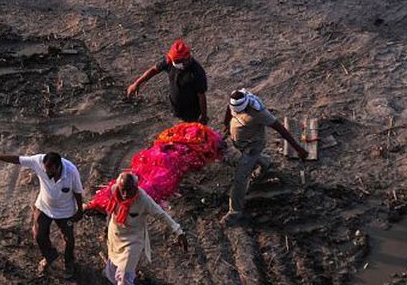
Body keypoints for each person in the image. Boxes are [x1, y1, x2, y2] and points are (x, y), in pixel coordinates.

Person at [0, 151, 84, 278]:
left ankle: (69, 263)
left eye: (50, 170)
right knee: (38, 235)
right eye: (45, 169)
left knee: (68, 239)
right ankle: (49, 256)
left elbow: (78, 192)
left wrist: (79, 211)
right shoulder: (38, 161)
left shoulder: (71, 171)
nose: (46, 173)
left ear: (58, 166)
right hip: (44, 206)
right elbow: (17, 159)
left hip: (65, 211)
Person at [220, 89, 309, 226]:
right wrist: (226, 124)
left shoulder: (258, 112)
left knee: (240, 178)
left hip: (252, 146)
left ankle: (234, 212)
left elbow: (280, 129)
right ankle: (265, 163)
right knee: (252, 160)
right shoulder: (236, 99)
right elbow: (229, 108)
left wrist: (298, 149)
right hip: (241, 142)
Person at [103, 172, 188, 285]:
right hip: (115, 235)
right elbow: (110, 211)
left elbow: (161, 214)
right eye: (122, 190)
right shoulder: (114, 191)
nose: (124, 194)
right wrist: (107, 226)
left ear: (135, 188)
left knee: (125, 271)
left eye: (128, 190)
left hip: (133, 240)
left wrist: (178, 231)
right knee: (112, 267)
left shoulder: (143, 200)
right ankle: (116, 283)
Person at [126, 39, 209, 124]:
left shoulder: (196, 72)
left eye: (188, 58)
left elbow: (201, 96)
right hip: (175, 107)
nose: (187, 61)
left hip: (191, 112)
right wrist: (136, 83)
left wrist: (203, 116)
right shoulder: (169, 62)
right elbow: (154, 70)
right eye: (184, 60)